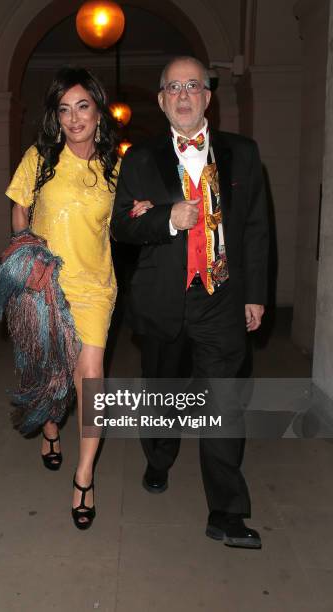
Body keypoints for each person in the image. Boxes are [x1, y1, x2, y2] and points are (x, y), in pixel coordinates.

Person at [111, 56, 268, 548]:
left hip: (222, 298)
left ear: (207, 96)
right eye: (173, 87)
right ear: (161, 100)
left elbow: (258, 228)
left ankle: (226, 511)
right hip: (164, 299)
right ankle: (159, 456)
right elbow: (122, 227)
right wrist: (166, 218)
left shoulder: (243, 153)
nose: (183, 95)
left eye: (193, 85)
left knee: (224, 404)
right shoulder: (138, 158)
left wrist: (257, 295)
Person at [6, 66, 119, 530]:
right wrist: (27, 253)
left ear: (98, 111)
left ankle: (85, 474)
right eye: (64, 109)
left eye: (83, 107)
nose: (74, 119)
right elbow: (20, 207)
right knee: (47, 373)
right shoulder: (40, 157)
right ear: (57, 116)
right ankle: (50, 427)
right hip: (44, 284)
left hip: (95, 288)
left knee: (90, 377)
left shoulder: (116, 165)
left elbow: (128, 222)